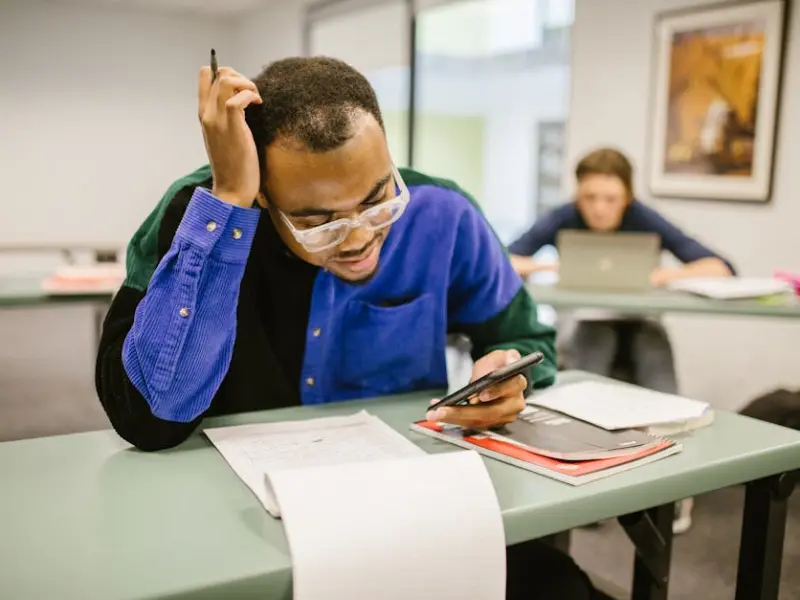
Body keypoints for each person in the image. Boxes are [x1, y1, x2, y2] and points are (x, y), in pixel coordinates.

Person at [95, 56, 595, 599]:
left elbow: (525, 337)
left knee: (562, 587)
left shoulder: (444, 212)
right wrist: (231, 201)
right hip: (244, 524)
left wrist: (506, 370)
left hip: (407, 506)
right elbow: (150, 417)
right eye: (316, 221)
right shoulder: (200, 215)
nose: (356, 239)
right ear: (264, 190)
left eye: (378, 198)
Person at [509, 147, 735, 534]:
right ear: (578, 195)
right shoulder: (564, 217)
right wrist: (552, 266)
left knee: (656, 360)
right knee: (593, 350)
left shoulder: (644, 218)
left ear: (627, 197)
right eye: (589, 198)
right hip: (590, 326)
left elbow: (721, 268)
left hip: (641, 325)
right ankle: (587, 484)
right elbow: (504, 260)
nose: (598, 208)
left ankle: (676, 493)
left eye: (610, 199)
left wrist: (657, 276)